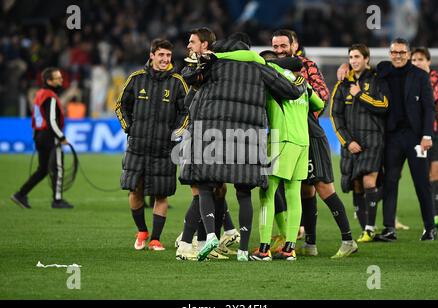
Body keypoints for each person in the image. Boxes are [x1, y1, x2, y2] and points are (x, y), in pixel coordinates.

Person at [178, 37, 303, 261]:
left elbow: (187, 78)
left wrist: (202, 61)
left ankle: (209, 237)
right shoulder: (258, 66)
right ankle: (244, 250)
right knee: (244, 192)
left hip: (211, 133)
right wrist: (302, 83)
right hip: (247, 137)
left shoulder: (214, 62)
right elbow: (291, 91)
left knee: (206, 186)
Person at [337, 38, 436, 241]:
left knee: (421, 183)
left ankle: (430, 228)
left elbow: (429, 108)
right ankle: (389, 228)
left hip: (416, 137)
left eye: (402, 52)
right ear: (390, 54)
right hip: (392, 137)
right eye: (394, 52)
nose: (398, 56)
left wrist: (427, 135)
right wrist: (345, 66)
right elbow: (362, 66)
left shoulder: (420, 76)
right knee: (390, 182)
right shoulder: (383, 69)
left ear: (408, 54)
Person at [271, 29, 358, 258]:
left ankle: (348, 239)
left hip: (310, 131)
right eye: (275, 46)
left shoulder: (305, 66)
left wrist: (301, 103)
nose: (279, 50)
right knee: (304, 190)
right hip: (289, 133)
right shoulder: (273, 68)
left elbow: (323, 93)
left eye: (283, 46)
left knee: (322, 187)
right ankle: (310, 244)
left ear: (294, 45)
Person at [115, 39, 189, 251]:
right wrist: (129, 127)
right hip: (137, 147)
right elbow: (121, 105)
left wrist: (177, 131)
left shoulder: (177, 81)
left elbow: (186, 111)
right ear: (152, 56)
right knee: (135, 191)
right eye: (161, 55)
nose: (165, 59)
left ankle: (156, 238)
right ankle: (142, 231)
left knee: (161, 194)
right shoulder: (136, 79)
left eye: (168, 56)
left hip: (163, 149)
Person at [175, 28, 240, 261]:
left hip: (215, 133)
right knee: (200, 190)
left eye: (192, 42)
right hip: (199, 133)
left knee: (216, 189)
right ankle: (185, 244)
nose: (188, 45)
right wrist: (205, 64)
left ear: (205, 44)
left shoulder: (221, 62)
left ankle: (203, 243)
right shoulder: (193, 66)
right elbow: (189, 80)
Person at [330, 44, 388, 242]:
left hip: (373, 139)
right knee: (355, 184)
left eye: (357, 57)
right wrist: (347, 142)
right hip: (351, 143)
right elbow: (335, 116)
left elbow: (384, 106)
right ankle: (365, 229)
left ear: (366, 59)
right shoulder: (342, 84)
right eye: (351, 57)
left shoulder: (377, 79)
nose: (354, 60)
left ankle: (370, 229)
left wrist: (359, 95)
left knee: (368, 180)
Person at [11, 68, 73, 209]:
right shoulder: (50, 97)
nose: (61, 80)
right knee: (58, 167)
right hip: (49, 136)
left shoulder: (40, 94)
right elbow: (52, 120)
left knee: (43, 169)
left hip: (39, 135)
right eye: (58, 78)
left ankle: (20, 194)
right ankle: (57, 200)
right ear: (49, 81)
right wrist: (61, 137)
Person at [411, 47, 438, 230]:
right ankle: (428, 215)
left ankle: (437, 216)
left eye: (420, 59)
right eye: (414, 60)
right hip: (419, 135)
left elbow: (429, 98)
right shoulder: (410, 79)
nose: (417, 63)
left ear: (428, 62)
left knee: (437, 173)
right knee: (423, 177)